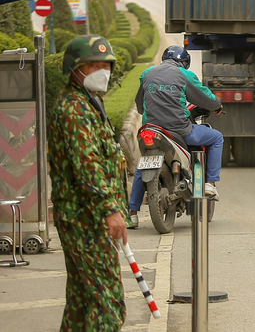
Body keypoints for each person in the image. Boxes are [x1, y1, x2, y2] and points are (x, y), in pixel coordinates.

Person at [47, 35, 129, 331]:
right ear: (75, 69)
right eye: (93, 64)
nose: (101, 70)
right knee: (107, 304)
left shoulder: (89, 103)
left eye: (105, 64)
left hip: (87, 216)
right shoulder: (74, 109)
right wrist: (110, 210)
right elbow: (87, 165)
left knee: (82, 301)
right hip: (86, 218)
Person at [128, 46, 223, 227]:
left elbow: (140, 106)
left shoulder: (147, 73)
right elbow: (206, 98)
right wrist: (217, 105)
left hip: (150, 130)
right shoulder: (184, 75)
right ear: (184, 63)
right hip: (179, 131)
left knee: (144, 163)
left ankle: (132, 214)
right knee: (216, 137)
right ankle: (210, 183)